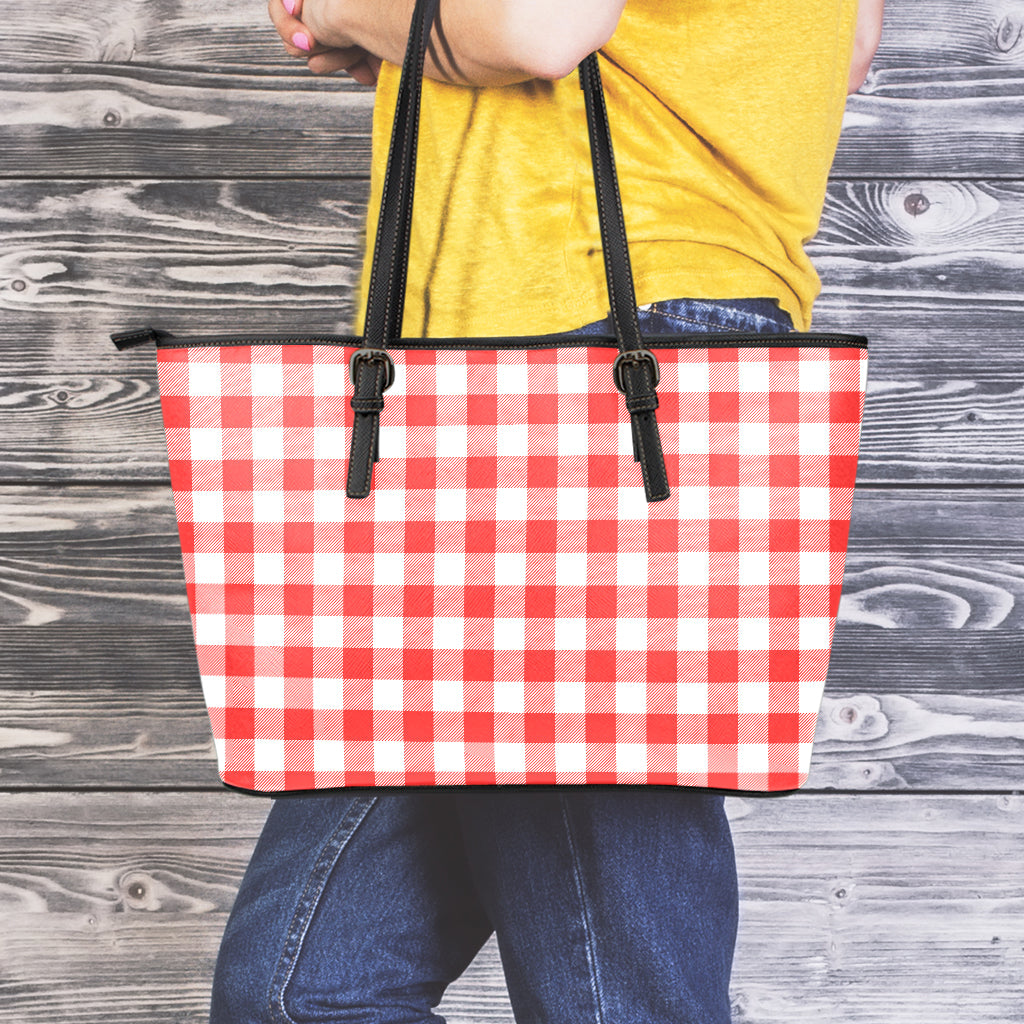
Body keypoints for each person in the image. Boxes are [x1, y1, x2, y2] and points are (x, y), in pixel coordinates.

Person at [210, 2, 884, 1022]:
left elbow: (533, 28)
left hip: (585, 342)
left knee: (608, 997)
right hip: (535, 365)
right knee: (302, 994)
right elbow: (837, 47)